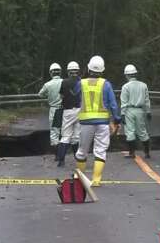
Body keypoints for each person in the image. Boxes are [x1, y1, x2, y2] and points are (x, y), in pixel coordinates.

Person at [75, 56, 121, 186]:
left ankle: (80, 178)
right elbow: (113, 105)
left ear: (88, 68)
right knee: (100, 150)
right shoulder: (106, 84)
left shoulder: (81, 83)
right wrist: (117, 120)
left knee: (82, 151)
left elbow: (75, 96)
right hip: (102, 122)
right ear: (102, 70)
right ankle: (96, 180)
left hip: (85, 123)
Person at [120, 64, 152, 158]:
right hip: (140, 110)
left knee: (130, 131)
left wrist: (122, 114)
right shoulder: (143, 85)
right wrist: (148, 111)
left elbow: (124, 102)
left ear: (127, 75)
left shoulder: (125, 87)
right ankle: (147, 152)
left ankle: (132, 153)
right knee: (142, 131)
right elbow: (147, 100)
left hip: (129, 110)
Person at [56, 61, 82, 167]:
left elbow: (61, 96)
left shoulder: (64, 82)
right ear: (77, 71)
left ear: (68, 71)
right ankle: (78, 158)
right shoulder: (82, 82)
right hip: (79, 110)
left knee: (66, 135)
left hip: (68, 111)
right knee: (76, 136)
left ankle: (61, 160)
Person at [38, 63, 63, 160]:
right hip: (64, 109)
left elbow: (40, 94)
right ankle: (64, 152)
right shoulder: (64, 82)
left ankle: (57, 155)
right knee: (65, 131)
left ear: (51, 73)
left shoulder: (47, 84)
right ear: (60, 72)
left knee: (54, 131)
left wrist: (48, 95)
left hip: (54, 109)